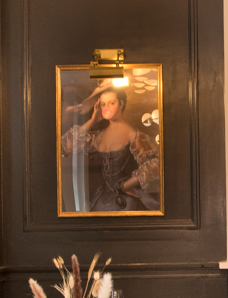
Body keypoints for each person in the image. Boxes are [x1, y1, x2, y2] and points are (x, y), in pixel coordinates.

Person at [61, 81, 160, 212]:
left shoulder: (133, 135)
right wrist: (92, 121)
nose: (107, 107)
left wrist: (125, 186)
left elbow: (154, 164)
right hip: (102, 198)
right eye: (103, 104)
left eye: (111, 103)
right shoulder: (99, 136)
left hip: (126, 199)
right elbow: (68, 144)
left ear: (121, 104)